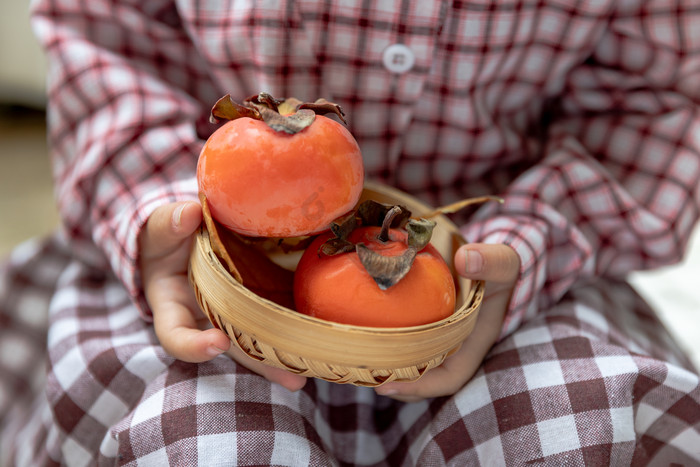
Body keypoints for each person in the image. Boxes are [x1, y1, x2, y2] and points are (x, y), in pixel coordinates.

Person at [2, 0, 699, 465]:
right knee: (186, 436)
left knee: (578, 425)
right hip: (200, 271)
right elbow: (109, 37)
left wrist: (529, 241)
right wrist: (158, 206)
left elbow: (656, 102)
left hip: (512, 274)